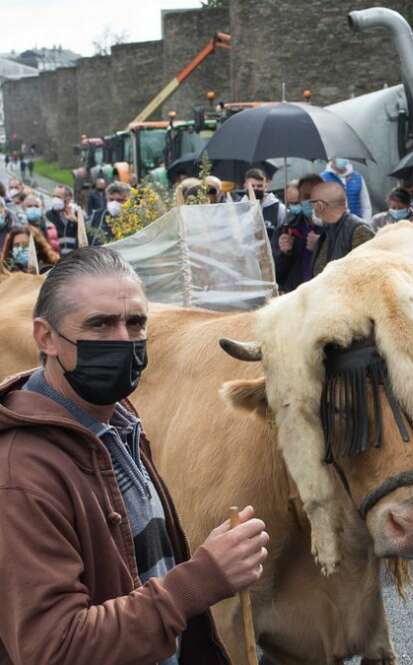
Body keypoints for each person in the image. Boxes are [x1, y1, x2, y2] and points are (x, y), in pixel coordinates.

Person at [0, 247, 268, 665]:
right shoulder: (22, 475)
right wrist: (203, 578)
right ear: (45, 337)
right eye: (100, 324)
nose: (123, 341)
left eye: (135, 323)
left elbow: (143, 573)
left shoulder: (120, 425)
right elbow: (54, 649)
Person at [308, 180, 374, 276]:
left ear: (320, 205)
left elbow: (369, 273)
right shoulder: (328, 230)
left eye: (312, 203)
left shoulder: (359, 230)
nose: (311, 208)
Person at [273, 174, 323, 293]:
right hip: (296, 294)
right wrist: (284, 253)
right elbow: (276, 276)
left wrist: (320, 245)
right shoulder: (285, 230)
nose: (310, 202)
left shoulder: (331, 227)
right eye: (290, 203)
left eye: (314, 196)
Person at [241, 168, 285, 238]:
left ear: (266, 186)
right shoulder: (239, 208)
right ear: (245, 185)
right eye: (252, 186)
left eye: (259, 186)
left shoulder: (278, 208)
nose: (255, 189)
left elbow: (283, 231)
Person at [46, 185, 85, 257]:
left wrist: (74, 221)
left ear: (68, 198)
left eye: (58, 197)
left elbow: (85, 234)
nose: (55, 199)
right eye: (53, 196)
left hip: (76, 257)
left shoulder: (78, 214)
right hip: (58, 258)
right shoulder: (49, 215)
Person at [89, 181, 131, 245]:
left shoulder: (135, 217)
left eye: (120, 200)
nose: (115, 203)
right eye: (111, 200)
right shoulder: (97, 215)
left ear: (128, 200)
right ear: (106, 198)